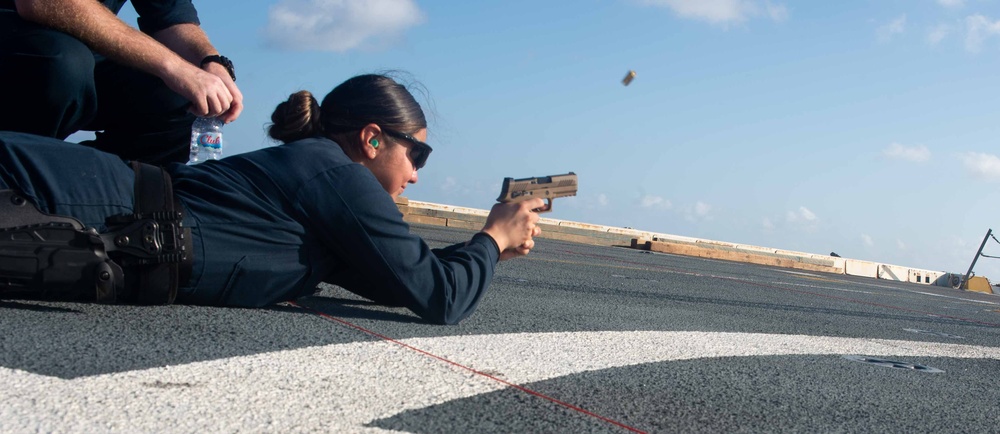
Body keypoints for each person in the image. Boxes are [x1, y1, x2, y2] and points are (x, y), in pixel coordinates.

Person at [0, 73, 543, 325]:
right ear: (372, 139)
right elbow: (441, 298)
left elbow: (404, 279)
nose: (417, 176)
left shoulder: (323, 180)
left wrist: (488, 248)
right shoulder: (335, 171)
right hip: (68, 195)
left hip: (90, 206)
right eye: (416, 157)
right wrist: (492, 239)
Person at [0, 0, 243, 165]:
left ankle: (94, 195)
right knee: (62, 64)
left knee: (180, 101)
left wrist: (210, 62)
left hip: (82, 56)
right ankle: (15, 189)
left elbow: (170, 19)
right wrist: (175, 67)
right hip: (21, 47)